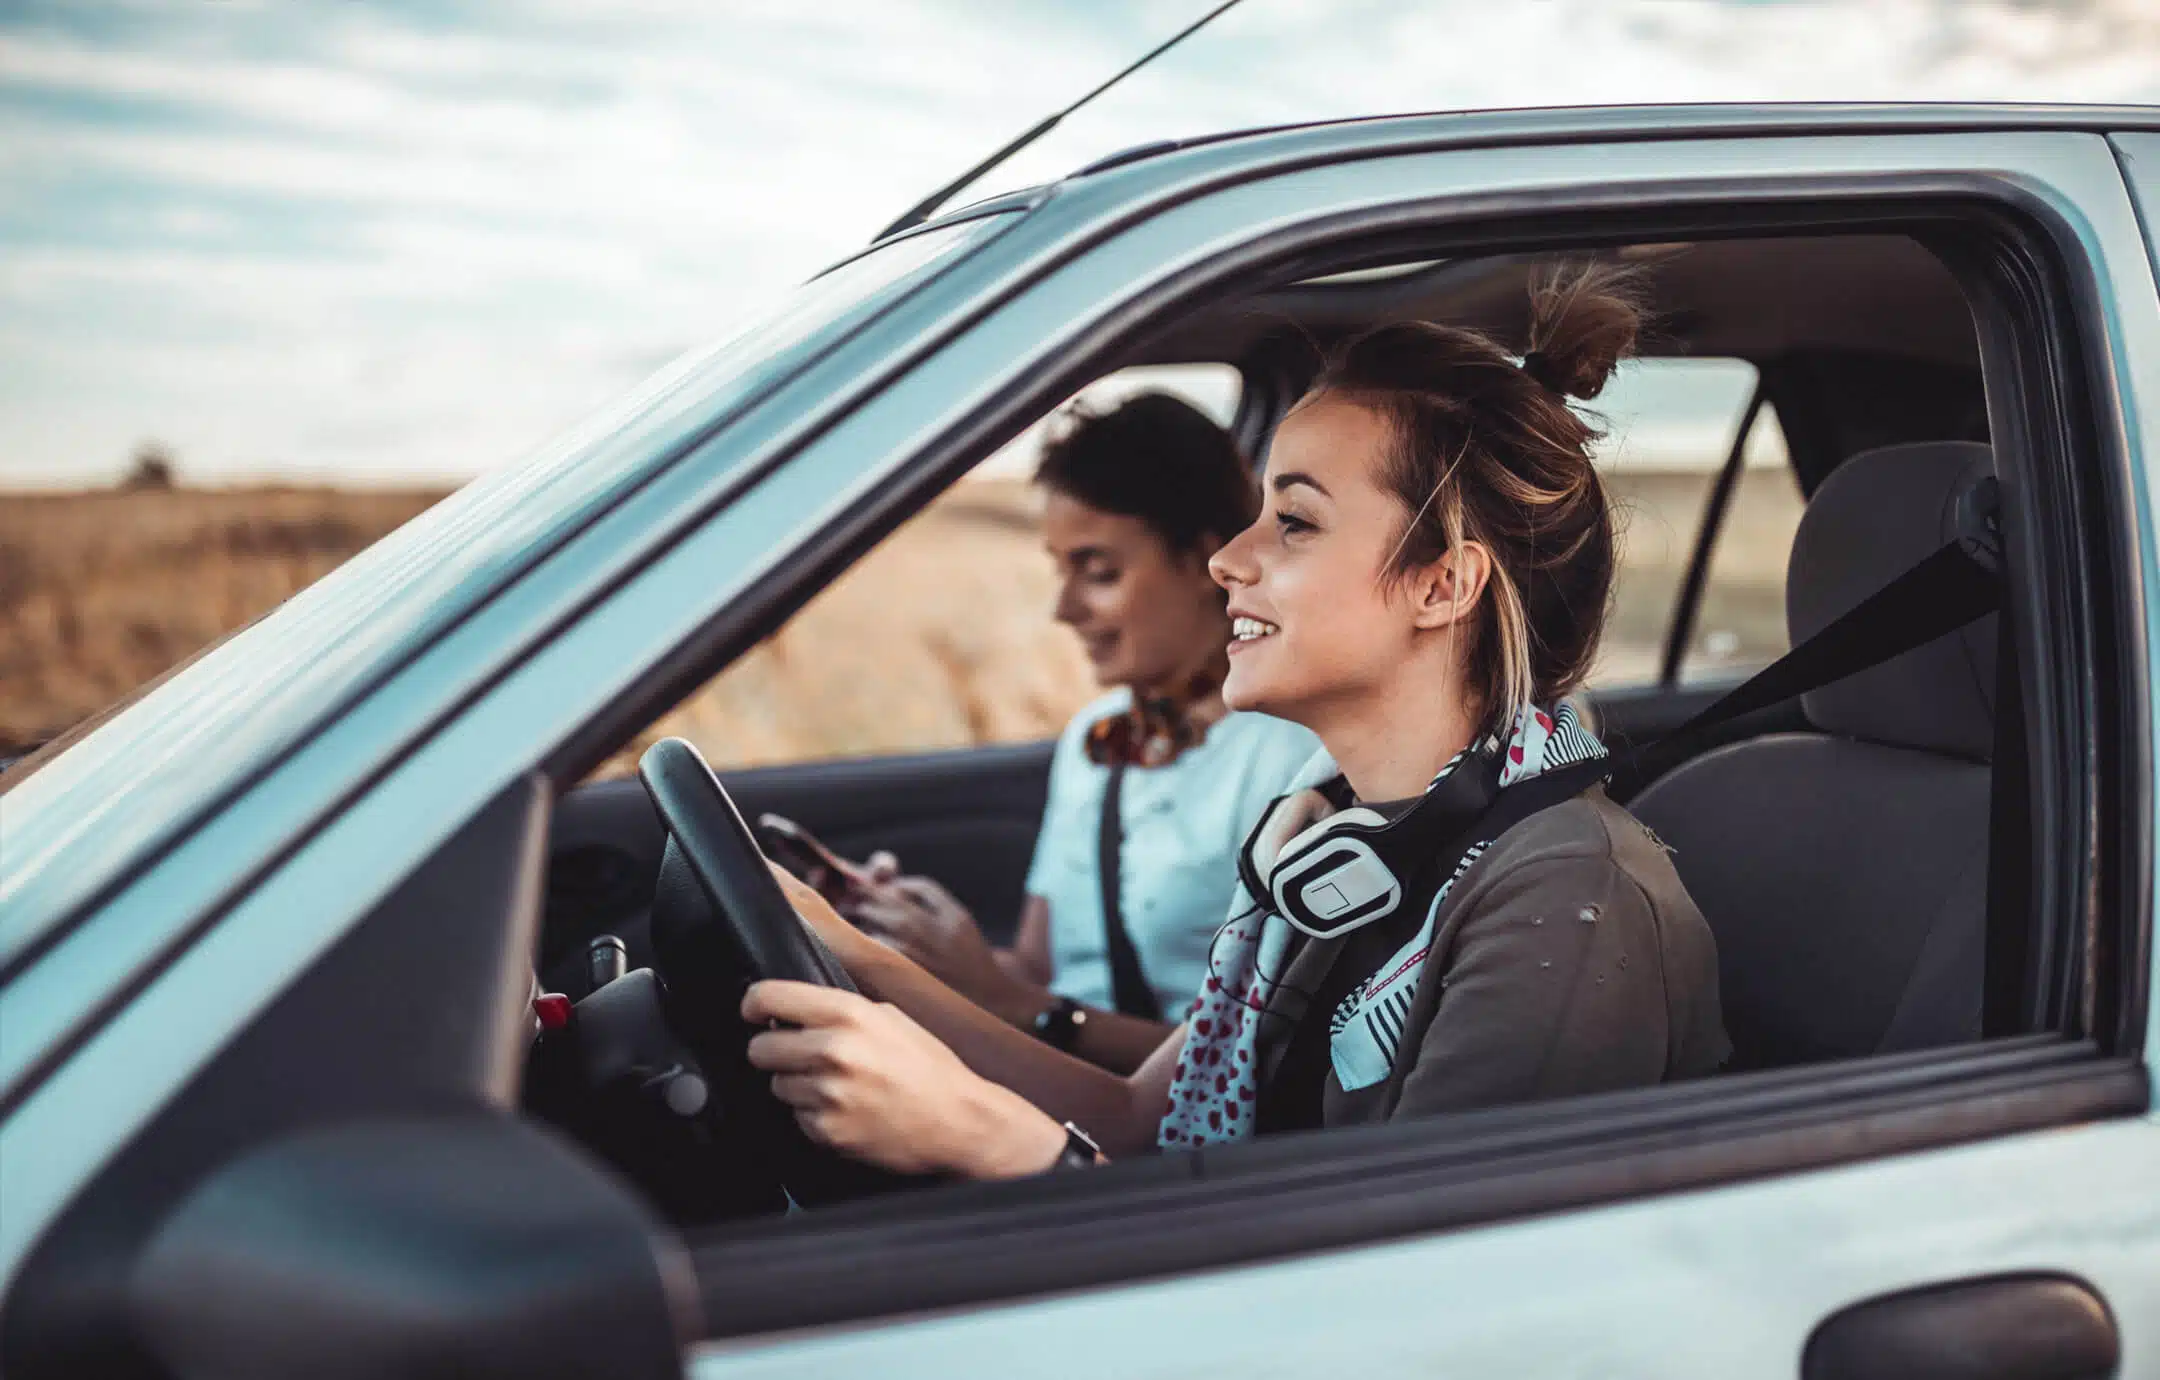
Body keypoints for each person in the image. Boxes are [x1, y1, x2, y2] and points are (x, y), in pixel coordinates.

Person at [745, 264, 1730, 1179]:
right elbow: (1135, 1122)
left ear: (1444, 583)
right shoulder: (1335, 842)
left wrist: (985, 1137)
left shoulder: (1563, 894)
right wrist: (853, 952)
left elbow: (1394, 1311)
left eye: (1292, 521)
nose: (1229, 561)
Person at [844, 392, 1320, 1074]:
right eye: (1060, 568)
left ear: (1206, 560)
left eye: (1099, 572)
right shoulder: (1094, 737)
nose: (1064, 609)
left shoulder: (1292, 756)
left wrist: (1014, 1003)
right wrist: (920, 943)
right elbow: (1038, 968)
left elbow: (1258, 1060)